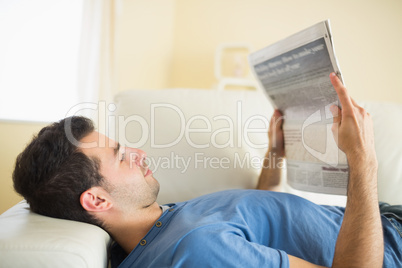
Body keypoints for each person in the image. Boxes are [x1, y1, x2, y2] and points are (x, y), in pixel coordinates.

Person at [12, 73, 401, 267]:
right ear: (96, 199)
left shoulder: (160, 225)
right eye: (120, 156)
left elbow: (260, 224)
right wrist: (362, 160)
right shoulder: (196, 249)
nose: (139, 152)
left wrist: (275, 155)